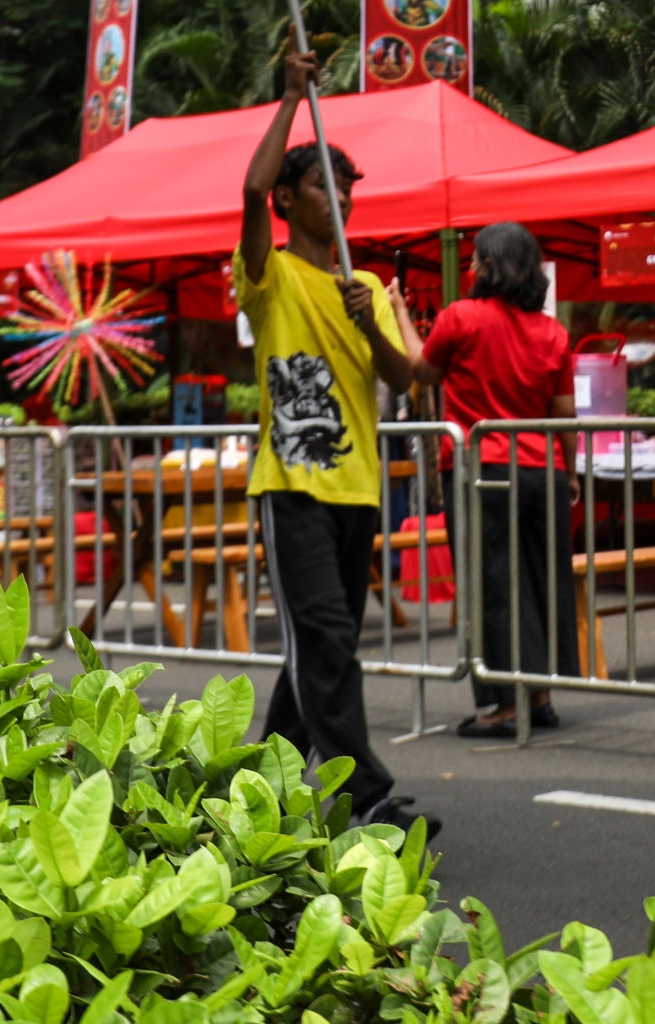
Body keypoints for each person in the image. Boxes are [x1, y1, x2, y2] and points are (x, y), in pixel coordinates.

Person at [239, 53, 432, 836]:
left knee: (322, 648)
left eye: (349, 190)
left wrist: (371, 321)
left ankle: (254, 792)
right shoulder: (272, 276)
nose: (343, 200)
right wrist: (289, 97)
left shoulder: (363, 288)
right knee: (323, 639)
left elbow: (408, 378)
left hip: (359, 490)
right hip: (293, 488)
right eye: (326, 186)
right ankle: (366, 792)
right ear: (291, 201)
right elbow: (249, 188)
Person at [412, 220, 577, 738]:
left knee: (494, 587)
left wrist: (397, 310)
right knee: (541, 581)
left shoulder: (460, 318)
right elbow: (563, 415)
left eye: (476, 258)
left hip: (480, 469)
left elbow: (421, 370)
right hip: (542, 469)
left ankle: (508, 704)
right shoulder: (554, 332)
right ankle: (541, 695)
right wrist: (569, 472)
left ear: (487, 265)